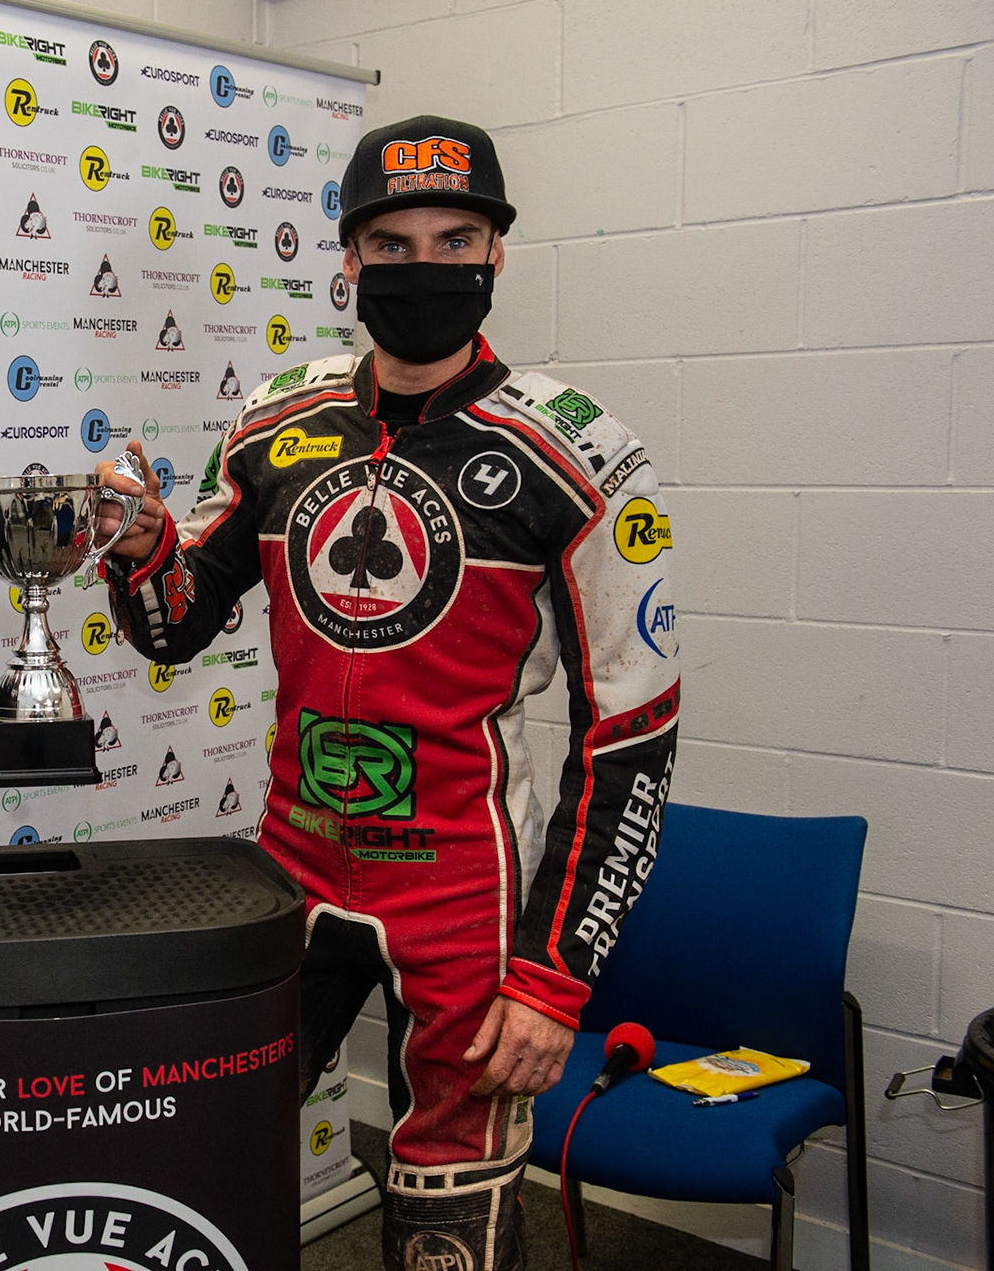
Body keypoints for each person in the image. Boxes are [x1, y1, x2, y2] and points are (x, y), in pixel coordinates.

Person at [96, 114, 679, 1270]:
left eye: (455, 238)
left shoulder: (587, 456)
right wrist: (134, 541)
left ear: (498, 254)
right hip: (291, 873)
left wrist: (556, 977)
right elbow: (172, 629)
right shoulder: (277, 420)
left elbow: (633, 738)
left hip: (463, 892)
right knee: (196, 1176)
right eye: (392, 243)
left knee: (447, 1225)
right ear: (348, 260)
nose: (425, 266)